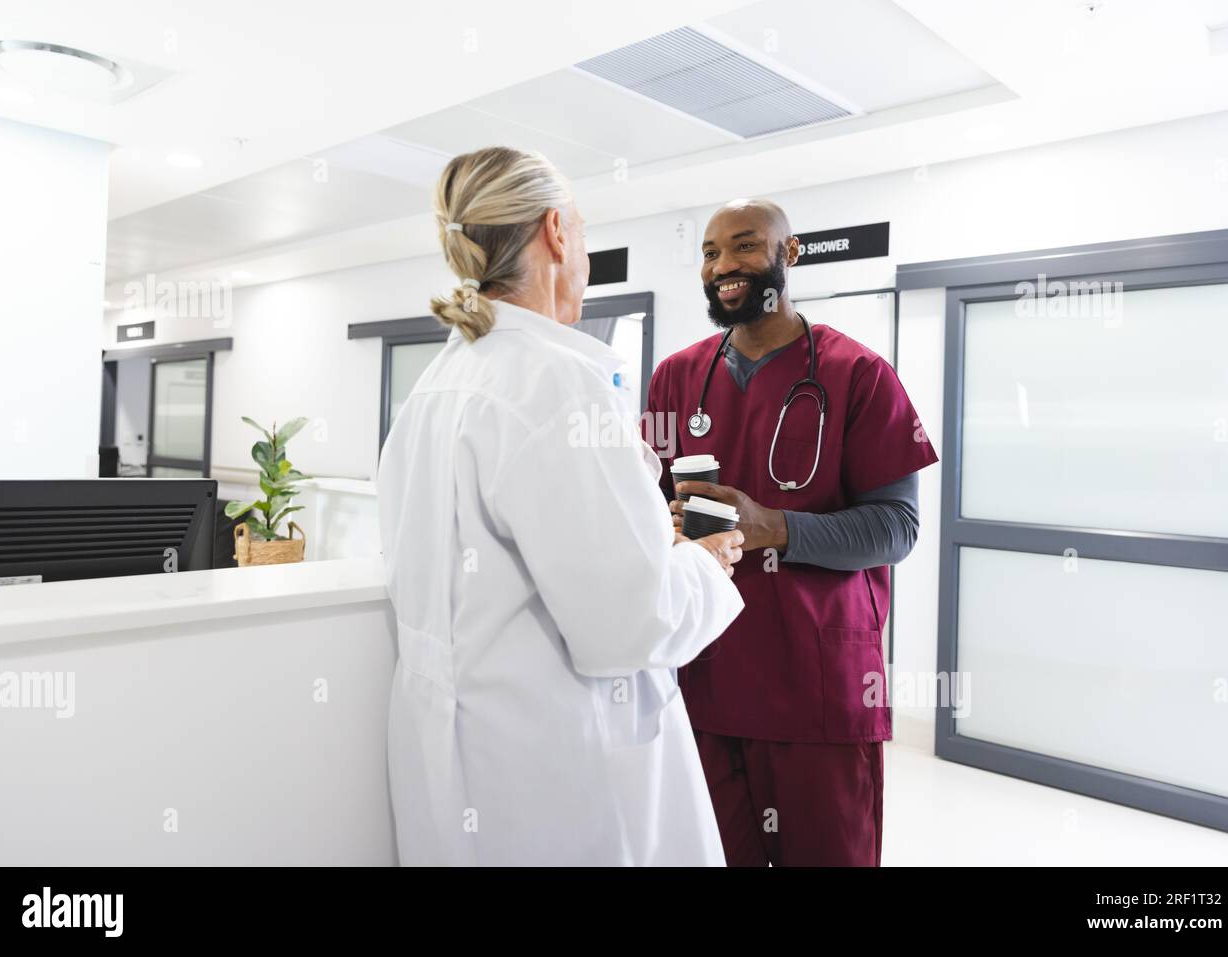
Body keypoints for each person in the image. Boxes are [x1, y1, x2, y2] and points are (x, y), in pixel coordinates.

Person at [376, 147, 746, 866]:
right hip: (559, 776)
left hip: (457, 765)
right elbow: (628, 624)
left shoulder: (433, 392)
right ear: (556, 231)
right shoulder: (554, 385)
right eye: (582, 228)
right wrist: (704, 564)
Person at [643, 198, 939, 866]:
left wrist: (770, 525)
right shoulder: (676, 378)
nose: (724, 266)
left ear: (790, 253)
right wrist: (661, 525)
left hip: (817, 692)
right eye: (711, 252)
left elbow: (897, 526)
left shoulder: (858, 375)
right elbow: (645, 506)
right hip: (705, 684)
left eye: (744, 246)